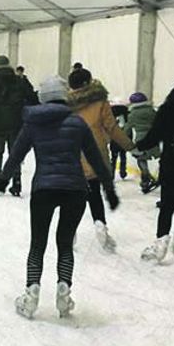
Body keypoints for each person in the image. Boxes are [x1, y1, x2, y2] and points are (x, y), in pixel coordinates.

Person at [0, 76, 117, 319]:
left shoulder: (33, 124)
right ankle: (64, 290)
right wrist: (108, 188)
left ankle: (31, 292)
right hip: (75, 190)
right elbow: (95, 159)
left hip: (44, 189)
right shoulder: (78, 123)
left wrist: (2, 180)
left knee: (38, 244)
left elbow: (16, 155)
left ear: (42, 96)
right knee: (65, 243)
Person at [66, 67, 132, 252]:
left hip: (72, 153)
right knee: (94, 191)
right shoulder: (100, 102)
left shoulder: (67, 104)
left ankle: (69, 232)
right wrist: (130, 146)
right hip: (96, 153)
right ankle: (100, 223)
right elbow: (112, 128)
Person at [134, 83, 174, 263]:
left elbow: (154, 136)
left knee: (168, 204)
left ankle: (162, 241)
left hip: (172, 164)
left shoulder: (168, 111)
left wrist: (136, 146)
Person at [0, 55, 30, 195]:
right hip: (16, 122)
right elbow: (31, 96)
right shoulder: (19, 81)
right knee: (15, 153)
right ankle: (16, 182)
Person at [126, 92, 158, 194]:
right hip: (153, 137)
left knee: (141, 159)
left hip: (140, 138)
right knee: (159, 157)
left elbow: (128, 128)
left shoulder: (132, 114)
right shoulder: (152, 111)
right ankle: (162, 176)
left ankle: (145, 178)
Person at [110, 101, 130, 180]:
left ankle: (112, 174)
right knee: (123, 156)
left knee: (113, 158)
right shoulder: (126, 115)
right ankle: (123, 172)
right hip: (124, 139)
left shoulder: (111, 115)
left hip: (114, 139)